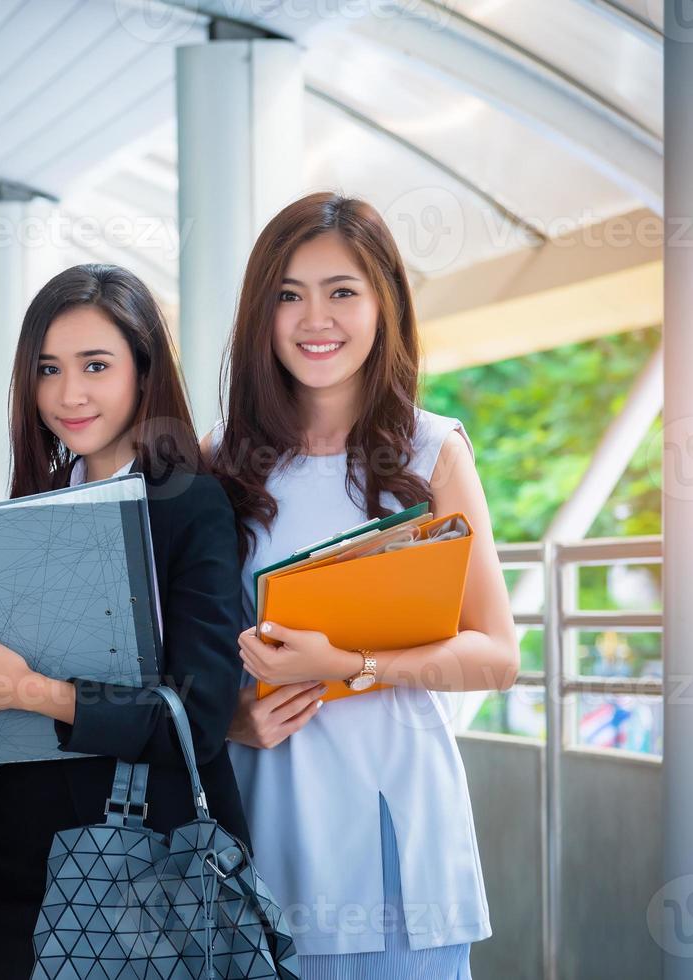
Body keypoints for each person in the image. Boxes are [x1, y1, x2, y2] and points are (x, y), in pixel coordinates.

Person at [212, 193, 519, 977]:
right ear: (261, 314)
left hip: (398, 840)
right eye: (289, 295)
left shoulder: (433, 449)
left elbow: (495, 655)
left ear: (383, 302)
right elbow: (185, 644)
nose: (316, 318)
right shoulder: (221, 460)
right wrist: (229, 716)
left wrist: (349, 666)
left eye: (342, 291)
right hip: (264, 827)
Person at [0, 264, 249, 980]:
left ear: (144, 369)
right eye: (47, 369)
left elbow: (199, 716)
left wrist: (28, 691)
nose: (69, 394)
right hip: (25, 854)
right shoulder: (28, 506)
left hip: (154, 857)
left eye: (95, 365)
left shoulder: (191, 505)